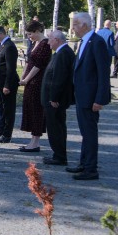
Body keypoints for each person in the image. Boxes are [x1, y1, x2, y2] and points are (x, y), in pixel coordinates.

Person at [68, 12, 111, 180]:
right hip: (82, 95)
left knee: (90, 133)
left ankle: (91, 169)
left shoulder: (97, 42)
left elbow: (103, 73)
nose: (73, 27)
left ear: (85, 25)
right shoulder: (85, 41)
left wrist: (100, 99)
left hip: (91, 97)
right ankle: (84, 163)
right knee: (85, 132)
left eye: (76, 24)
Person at [40, 30, 75, 166]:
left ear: (57, 40)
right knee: (57, 126)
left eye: (50, 40)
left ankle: (59, 156)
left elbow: (59, 78)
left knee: (56, 127)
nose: (48, 42)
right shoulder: (62, 52)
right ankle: (58, 154)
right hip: (54, 99)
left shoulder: (63, 53)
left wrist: (54, 98)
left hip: (55, 100)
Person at [17, 21, 51, 151]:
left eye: (30, 34)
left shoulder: (45, 44)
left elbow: (38, 65)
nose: (29, 37)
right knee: (30, 109)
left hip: (38, 81)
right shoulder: (33, 43)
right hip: (30, 82)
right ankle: (33, 140)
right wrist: (23, 77)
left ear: (37, 31)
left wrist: (27, 79)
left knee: (37, 111)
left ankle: (35, 142)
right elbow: (28, 61)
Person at [0, 25, 19, 143]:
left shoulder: (9, 47)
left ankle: (7, 135)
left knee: (8, 110)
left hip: (7, 85)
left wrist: (7, 85)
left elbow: (11, 69)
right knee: (2, 109)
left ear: (1, 34)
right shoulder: (2, 45)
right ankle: (1, 130)